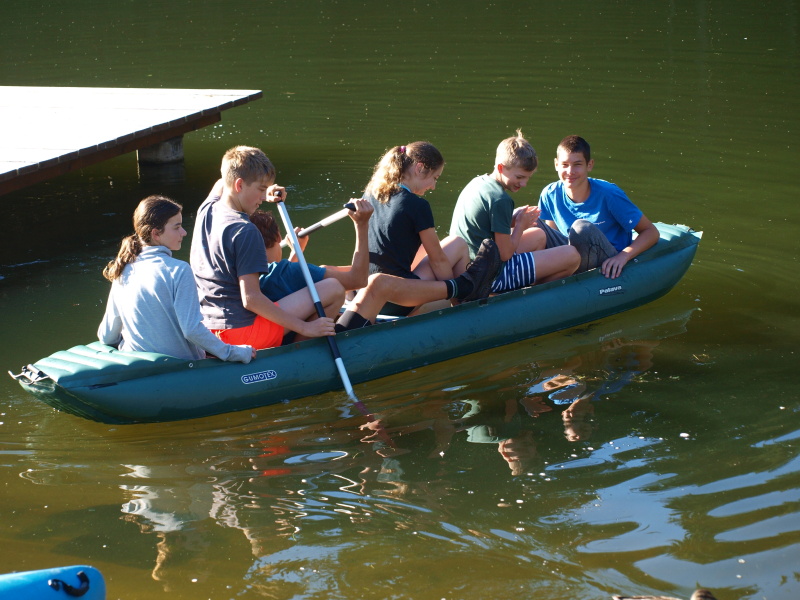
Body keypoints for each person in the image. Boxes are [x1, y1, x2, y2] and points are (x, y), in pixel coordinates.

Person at [335, 142, 502, 331]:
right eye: (434, 178)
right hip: (398, 299)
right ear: (419, 168)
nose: (433, 186)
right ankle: (463, 301)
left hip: (363, 292)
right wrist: (449, 290)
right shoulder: (417, 205)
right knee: (457, 244)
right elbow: (438, 260)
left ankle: (463, 294)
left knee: (433, 248)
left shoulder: (371, 194)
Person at [189, 146, 343, 350]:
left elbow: (223, 181)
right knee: (333, 288)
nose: (263, 198)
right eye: (261, 190)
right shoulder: (245, 230)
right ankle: (300, 354)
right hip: (243, 334)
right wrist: (306, 327)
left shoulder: (206, 209)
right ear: (239, 185)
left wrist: (263, 186)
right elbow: (251, 299)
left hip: (208, 329)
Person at [98, 195, 254, 363]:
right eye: (177, 227)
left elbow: (107, 336)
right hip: (181, 367)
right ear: (156, 234)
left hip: (138, 366)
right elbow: (192, 330)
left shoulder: (123, 269)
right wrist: (232, 352)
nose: (184, 232)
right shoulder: (178, 270)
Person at [450, 130, 580, 293]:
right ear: (500, 167)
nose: (524, 184)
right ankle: (529, 297)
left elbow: (485, 225)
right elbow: (505, 254)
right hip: (487, 277)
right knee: (572, 255)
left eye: (527, 178)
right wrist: (519, 226)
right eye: (519, 177)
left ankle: (526, 283)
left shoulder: (478, 182)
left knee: (539, 235)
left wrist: (511, 220)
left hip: (467, 267)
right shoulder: (500, 199)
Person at [537, 135, 660, 278]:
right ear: (556, 165)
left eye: (577, 164)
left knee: (582, 229)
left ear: (589, 165)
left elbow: (651, 231)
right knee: (534, 225)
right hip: (571, 255)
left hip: (605, 257)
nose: (570, 171)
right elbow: (552, 235)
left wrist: (623, 256)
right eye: (565, 164)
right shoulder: (549, 193)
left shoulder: (609, 194)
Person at [248, 197, 373, 301]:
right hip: (305, 323)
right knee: (376, 281)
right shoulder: (291, 272)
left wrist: (296, 252)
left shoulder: (247, 275)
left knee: (325, 269)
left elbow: (283, 276)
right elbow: (358, 281)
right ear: (278, 237)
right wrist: (361, 224)